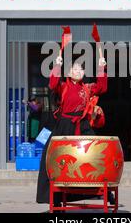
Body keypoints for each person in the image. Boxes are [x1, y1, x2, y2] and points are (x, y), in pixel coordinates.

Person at [36, 56, 107, 206]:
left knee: (94, 151)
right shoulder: (63, 86)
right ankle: (54, 197)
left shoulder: (87, 88)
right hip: (64, 125)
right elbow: (52, 83)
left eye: (81, 69)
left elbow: (102, 87)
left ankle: (99, 189)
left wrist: (101, 68)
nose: (78, 71)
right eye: (75, 69)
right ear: (68, 72)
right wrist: (57, 65)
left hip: (82, 124)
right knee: (52, 156)